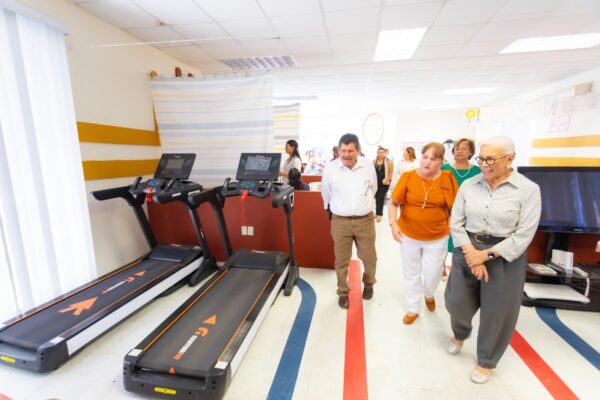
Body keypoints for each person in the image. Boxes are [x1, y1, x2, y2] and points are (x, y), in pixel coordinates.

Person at [444, 136, 541, 384]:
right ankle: (460, 332)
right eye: (481, 158)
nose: (484, 164)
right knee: (456, 301)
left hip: (505, 256)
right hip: (467, 249)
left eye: (491, 159)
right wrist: (472, 255)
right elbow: (456, 223)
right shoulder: (470, 186)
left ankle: (486, 359)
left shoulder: (528, 190)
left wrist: (485, 256)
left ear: (510, 159)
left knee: (497, 312)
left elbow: (523, 235)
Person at [388, 142, 458, 325]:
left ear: (442, 162)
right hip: (408, 235)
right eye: (425, 157)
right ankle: (413, 307)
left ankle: (428, 294)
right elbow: (393, 203)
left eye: (433, 159)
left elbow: (454, 208)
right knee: (411, 272)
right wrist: (393, 224)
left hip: (437, 236)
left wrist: (450, 228)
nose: (427, 162)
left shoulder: (447, 178)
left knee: (432, 274)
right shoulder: (408, 177)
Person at [321, 133, 378, 309]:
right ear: (338, 150)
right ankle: (343, 292)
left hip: (365, 221)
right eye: (343, 150)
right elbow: (326, 193)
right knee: (341, 260)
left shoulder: (368, 166)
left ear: (358, 150)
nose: (346, 154)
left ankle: (368, 284)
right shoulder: (330, 168)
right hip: (340, 222)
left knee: (369, 258)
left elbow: (373, 189)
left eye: (350, 151)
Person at [440, 138, 481, 280]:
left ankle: (462, 270)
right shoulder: (445, 169)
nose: (459, 151)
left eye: (464, 148)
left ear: (471, 152)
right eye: (457, 148)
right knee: (444, 239)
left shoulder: (477, 171)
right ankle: (441, 267)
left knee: (463, 240)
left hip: (468, 211)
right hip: (446, 210)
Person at [373, 147, 393, 223]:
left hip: (384, 183)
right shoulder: (374, 161)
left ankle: (379, 215)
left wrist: (388, 179)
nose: (380, 154)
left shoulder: (388, 161)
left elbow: (391, 171)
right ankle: (377, 212)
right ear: (377, 153)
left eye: (382, 152)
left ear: (384, 153)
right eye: (379, 152)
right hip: (376, 182)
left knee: (380, 197)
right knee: (377, 197)